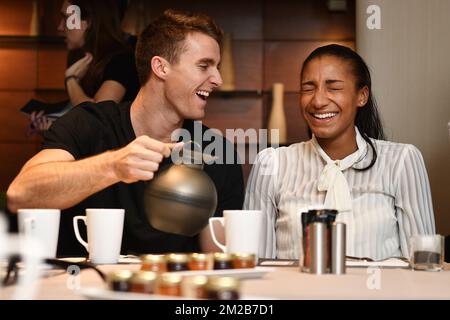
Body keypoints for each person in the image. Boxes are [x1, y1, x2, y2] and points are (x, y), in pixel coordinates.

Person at [7, 10, 244, 256]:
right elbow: (20, 194)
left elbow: (217, 260)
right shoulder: (89, 123)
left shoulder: (216, 151)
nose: (218, 79)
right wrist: (114, 166)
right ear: (160, 67)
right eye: (204, 66)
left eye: (217, 67)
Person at [244, 44, 435, 261]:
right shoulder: (272, 164)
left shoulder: (401, 162)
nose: (318, 101)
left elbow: (424, 263)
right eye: (308, 88)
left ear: (361, 96)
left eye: (333, 88)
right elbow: (257, 265)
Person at [30, 0, 139, 133]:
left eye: (67, 18)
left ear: (88, 22)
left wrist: (70, 79)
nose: (60, 27)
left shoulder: (123, 59)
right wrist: (53, 128)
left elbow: (97, 116)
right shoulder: (80, 57)